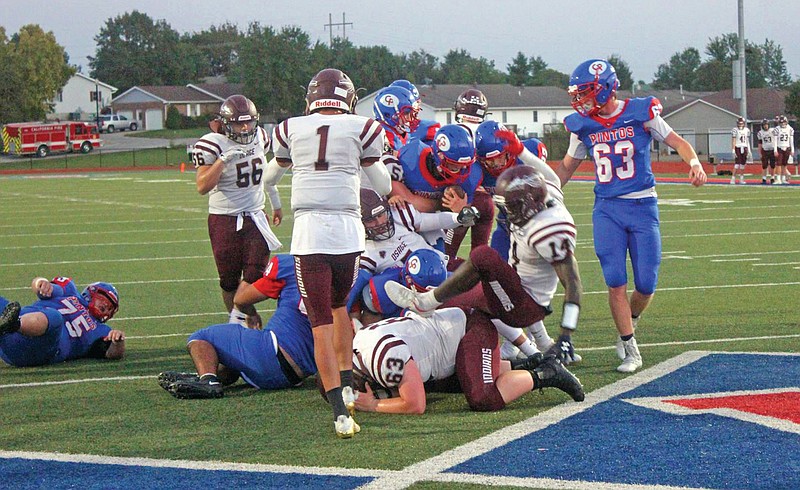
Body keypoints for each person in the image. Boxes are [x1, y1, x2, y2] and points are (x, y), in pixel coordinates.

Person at [555, 58, 707, 373]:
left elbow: (676, 142)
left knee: (647, 285)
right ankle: (629, 346)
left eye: (585, 92)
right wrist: (548, 191)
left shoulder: (641, 113)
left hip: (643, 206)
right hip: (608, 209)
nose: (580, 100)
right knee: (615, 281)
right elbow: (568, 166)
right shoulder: (583, 126)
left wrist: (694, 163)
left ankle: (631, 321)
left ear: (606, 89)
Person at [263, 68, 391, 438]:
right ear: (348, 98)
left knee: (320, 323)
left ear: (311, 98)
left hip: (310, 235)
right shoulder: (364, 129)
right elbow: (381, 184)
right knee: (341, 309)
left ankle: (339, 412)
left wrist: (275, 203)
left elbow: (269, 178)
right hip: (349, 235)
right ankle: (348, 384)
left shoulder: (289, 128)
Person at [385, 164, 585, 368]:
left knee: (483, 256)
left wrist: (566, 335)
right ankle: (537, 348)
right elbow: (549, 176)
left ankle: (425, 302)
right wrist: (516, 146)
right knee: (457, 295)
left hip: (525, 306)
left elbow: (574, 283)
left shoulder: (550, 228)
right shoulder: (538, 198)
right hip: (514, 287)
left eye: (512, 205)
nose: (507, 210)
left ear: (532, 202)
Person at [351, 307, 584, 415]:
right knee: (445, 383)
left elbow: (415, 404)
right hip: (453, 343)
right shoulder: (360, 343)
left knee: (482, 397)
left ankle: (546, 373)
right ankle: (523, 365)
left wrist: (373, 405)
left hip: (471, 330)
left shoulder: (382, 358)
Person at [158, 254, 316, 399]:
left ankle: (208, 381)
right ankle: (211, 375)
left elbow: (240, 300)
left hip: (271, 353)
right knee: (235, 351)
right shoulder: (338, 276)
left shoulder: (290, 264)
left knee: (201, 337)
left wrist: (251, 313)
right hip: (296, 376)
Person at [192, 94, 283, 327]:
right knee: (229, 281)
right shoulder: (212, 143)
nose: (245, 127)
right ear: (225, 123)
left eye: (249, 122)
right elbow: (202, 186)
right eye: (238, 123)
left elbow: (266, 176)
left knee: (255, 275)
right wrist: (222, 161)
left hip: (255, 214)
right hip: (224, 218)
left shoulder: (261, 136)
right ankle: (240, 322)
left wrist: (275, 203)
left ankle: (240, 317)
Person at [0, 277, 124, 367]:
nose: (107, 309)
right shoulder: (69, 291)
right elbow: (39, 285)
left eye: (111, 308)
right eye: (106, 301)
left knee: (54, 317)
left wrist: (117, 342)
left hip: (38, 350)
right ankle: (8, 324)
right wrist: (41, 283)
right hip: (12, 337)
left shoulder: (102, 330)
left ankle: (12, 324)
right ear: (93, 292)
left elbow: (112, 353)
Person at [372, 85, 418, 155]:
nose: (410, 118)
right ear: (388, 114)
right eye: (406, 113)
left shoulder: (398, 130)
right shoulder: (381, 134)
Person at [775, 115, 795, 185]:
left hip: (787, 147)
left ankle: (783, 179)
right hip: (779, 147)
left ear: (786, 122)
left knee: (784, 164)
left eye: (784, 122)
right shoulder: (777, 129)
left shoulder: (790, 129)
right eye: (781, 122)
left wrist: (792, 150)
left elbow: (791, 140)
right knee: (779, 164)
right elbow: (775, 140)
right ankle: (778, 179)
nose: (783, 124)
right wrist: (775, 150)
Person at [756, 118, 777, 184]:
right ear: (762, 125)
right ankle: (764, 178)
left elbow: (777, 138)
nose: (765, 126)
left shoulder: (773, 131)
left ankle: (772, 178)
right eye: (764, 125)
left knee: (772, 165)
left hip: (772, 149)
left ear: (769, 125)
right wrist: (759, 152)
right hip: (765, 150)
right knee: (764, 165)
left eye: (766, 124)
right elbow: (760, 143)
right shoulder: (760, 133)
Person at [731, 117, 750, 185]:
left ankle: (741, 179)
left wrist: (748, 150)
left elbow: (747, 141)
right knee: (736, 164)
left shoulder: (747, 130)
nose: (740, 125)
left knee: (742, 164)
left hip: (744, 147)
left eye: (741, 123)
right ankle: (733, 179)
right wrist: (733, 150)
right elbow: (733, 140)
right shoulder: (735, 130)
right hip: (737, 147)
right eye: (739, 123)